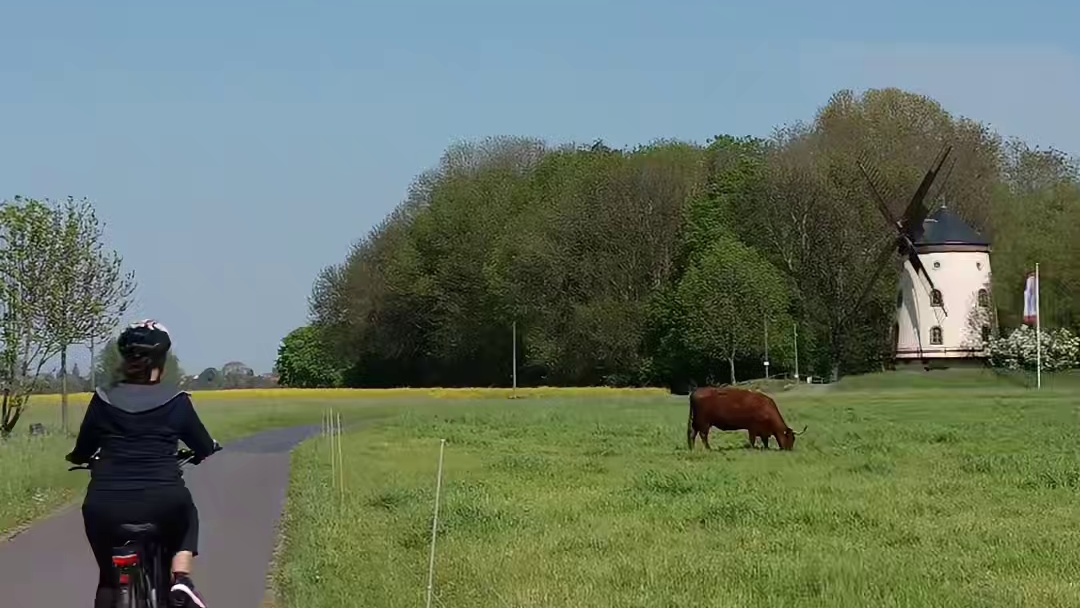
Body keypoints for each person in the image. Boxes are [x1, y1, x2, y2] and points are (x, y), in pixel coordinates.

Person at [66, 319, 219, 608]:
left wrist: (80, 457)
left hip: (106, 504)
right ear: (161, 359)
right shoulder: (177, 401)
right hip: (164, 501)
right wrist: (205, 450)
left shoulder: (102, 399)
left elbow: (83, 448)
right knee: (189, 517)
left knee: (109, 579)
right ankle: (182, 578)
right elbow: (203, 445)